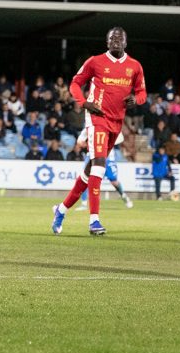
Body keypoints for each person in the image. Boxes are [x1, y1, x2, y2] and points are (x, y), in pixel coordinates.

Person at [52, 27, 146, 236]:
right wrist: (84, 103)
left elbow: (141, 92)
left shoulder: (135, 66)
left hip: (117, 122)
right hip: (97, 119)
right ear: (107, 42)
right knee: (100, 166)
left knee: (89, 172)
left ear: (125, 42)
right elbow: (75, 83)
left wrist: (136, 100)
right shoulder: (95, 61)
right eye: (112, 38)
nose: (115, 41)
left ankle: (61, 209)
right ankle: (94, 220)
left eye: (119, 38)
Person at [74, 133, 133, 210]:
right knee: (85, 178)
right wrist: (83, 142)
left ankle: (124, 196)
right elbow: (81, 140)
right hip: (92, 155)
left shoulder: (111, 126)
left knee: (114, 181)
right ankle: (84, 204)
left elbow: (120, 137)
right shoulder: (91, 124)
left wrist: (110, 140)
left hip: (108, 157)